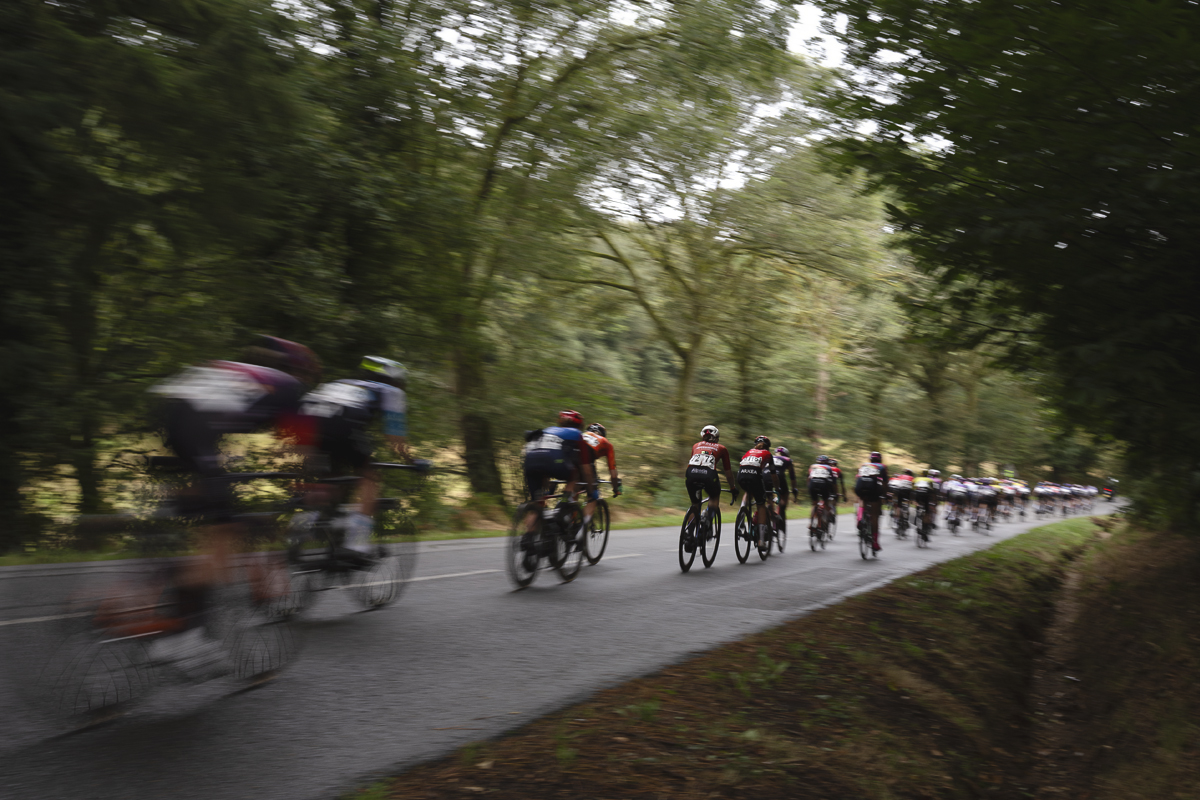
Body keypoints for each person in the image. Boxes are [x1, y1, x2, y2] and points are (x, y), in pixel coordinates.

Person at [147, 335, 318, 676]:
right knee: (223, 532)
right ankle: (182, 639)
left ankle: (168, 581)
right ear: (303, 372)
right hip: (194, 422)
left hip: (172, 410)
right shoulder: (291, 389)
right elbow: (295, 452)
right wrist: (303, 490)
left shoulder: (252, 377)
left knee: (210, 505)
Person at [296, 356, 412, 555]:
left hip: (305, 421)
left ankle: (308, 522)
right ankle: (357, 540)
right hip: (344, 423)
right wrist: (412, 461)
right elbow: (395, 439)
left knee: (331, 478)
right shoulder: (390, 391)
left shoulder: (340, 383)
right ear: (395, 380)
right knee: (370, 478)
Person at [521, 410, 588, 534]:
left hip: (529, 459)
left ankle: (528, 539)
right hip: (551, 459)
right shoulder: (576, 433)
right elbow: (583, 465)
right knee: (574, 476)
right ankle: (563, 504)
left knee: (537, 504)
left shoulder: (549, 430)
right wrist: (589, 483)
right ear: (579, 426)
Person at [683, 425, 738, 551]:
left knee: (695, 504)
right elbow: (728, 472)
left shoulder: (695, 446)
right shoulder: (722, 448)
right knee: (714, 496)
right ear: (717, 438)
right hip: (708, 475)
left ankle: (689, 535)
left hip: (691, 474)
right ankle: (706, 524)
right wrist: (732, 487)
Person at [737, 435, 777, 548]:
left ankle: (742, 510)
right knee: (761, 505)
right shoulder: (768, 454)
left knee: (747, 492)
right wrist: (777, 487)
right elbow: (773, 475)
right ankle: (761, 540)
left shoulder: (749, 451)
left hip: (741, 476)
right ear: (768, 447)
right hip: (755, 476)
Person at [582, 422, 622, 525]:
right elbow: (613, 474)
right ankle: (581, 529)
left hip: (569, 458)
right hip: (586, 461)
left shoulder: (581, 435)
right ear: (602, 434)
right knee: (593, 496)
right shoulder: (606, 443)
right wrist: (615, 489)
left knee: (573, 487)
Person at [853, 451, 889, 553]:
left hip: (860, 486)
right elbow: (885, 483)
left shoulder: (864, 465)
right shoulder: (882, 467)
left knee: (862, 499)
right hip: (873, 489)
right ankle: (875, 542)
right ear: (880, 459)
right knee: (874, 516)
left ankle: (860, 517)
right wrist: (886, 495)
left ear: (870, 459)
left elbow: (857, 478)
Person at [806, 455, 838, 531]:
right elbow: (833, 482)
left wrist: (809, 488)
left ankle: (811, 523)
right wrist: (835, 493)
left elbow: (808, 478)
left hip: (813, 484)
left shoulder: (813, 467)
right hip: (823, 485)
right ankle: (824, 520)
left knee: (814, 504)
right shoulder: (829, 468)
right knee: (826, 503)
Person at [772, 447, 799, 523]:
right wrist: (794, 489)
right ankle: (779, 511)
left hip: (765, 476)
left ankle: (770, 509)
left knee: (768, 495)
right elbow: (792, 477)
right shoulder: (787, 460)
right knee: (784, 495)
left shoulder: (770, 457)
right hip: (779, 477)